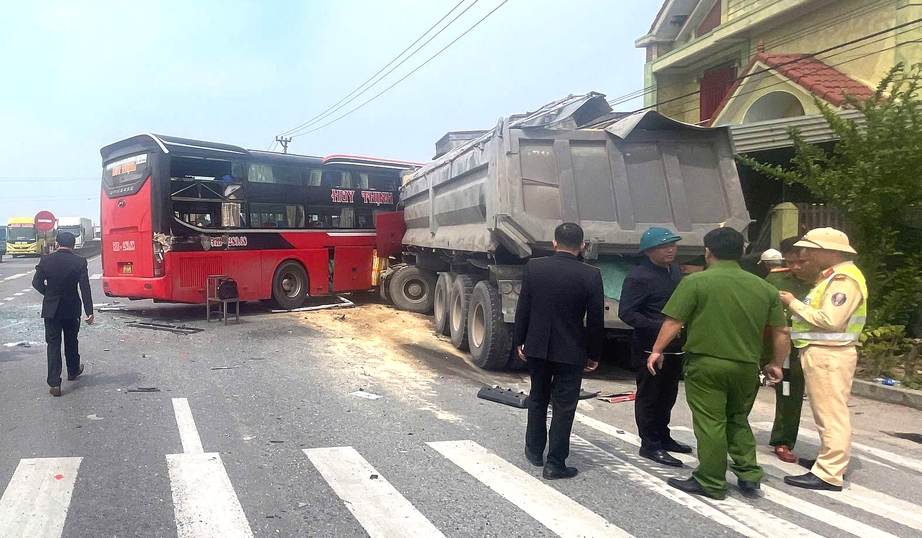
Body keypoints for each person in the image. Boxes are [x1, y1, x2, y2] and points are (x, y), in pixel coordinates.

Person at [648, 227, 789, 499]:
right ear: (743, 252)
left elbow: (674, 321)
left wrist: (656, 350)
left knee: (711, 422)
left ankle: (710, 481)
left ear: (708, 252)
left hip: (706, 364)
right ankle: (749, 475)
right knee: (738, 418)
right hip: (747, 366)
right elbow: (782, 331)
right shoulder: (765, 288)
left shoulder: (695, 282)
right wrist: (776, 363)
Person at [515, 222, 604, 480]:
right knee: (564, 406)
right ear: (582, 246)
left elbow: (524, 308)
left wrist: (520, 340)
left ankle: (533, 451)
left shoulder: (535, 267)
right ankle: (555, 463)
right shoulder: (591, 275)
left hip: (537, 346)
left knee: (538, 397)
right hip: (571, 349)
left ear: (554, 242)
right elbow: (595, 319)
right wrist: (594, 353)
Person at [780, 228, 867, 492]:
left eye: (811, 249)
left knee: (831, 415)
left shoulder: (843, 279)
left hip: (830, 353)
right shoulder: (831, 277)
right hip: (825, 352)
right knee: (826, 413)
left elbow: (831, 320)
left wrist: (793, 303)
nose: (805, 254)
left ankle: (829, 473)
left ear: (829, 251)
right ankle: (827, 461)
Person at [619, 227, 690, 468]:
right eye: (663, 246)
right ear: (649, 250)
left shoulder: (673, 271)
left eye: (673, 245)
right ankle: (649, 444)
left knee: (668, 394)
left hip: (674, 346)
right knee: (650, 396)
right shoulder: (639, 277)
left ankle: (663, 436)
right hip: (649, 347)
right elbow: (627, 313)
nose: (670, 250)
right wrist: (659, 328)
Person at [762, 237, 817, 463]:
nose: (795, 267)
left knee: (790, 393)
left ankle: (783, 439)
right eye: (791, 262)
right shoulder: (775, 278)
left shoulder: (825, 283)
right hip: (770, 342)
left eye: (802, 262)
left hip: (803, 347)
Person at [31, 232, 95, 397]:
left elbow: (36, 282)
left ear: (57, 244)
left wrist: (49, 294)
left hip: (51, 310)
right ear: (73, 246)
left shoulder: (46, 260)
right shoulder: (80, 262)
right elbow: (85, 287)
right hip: (71, 308)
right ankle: (73, 370)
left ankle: (54, 384)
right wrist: (89, 311)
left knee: (53, 344)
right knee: (71, 340)